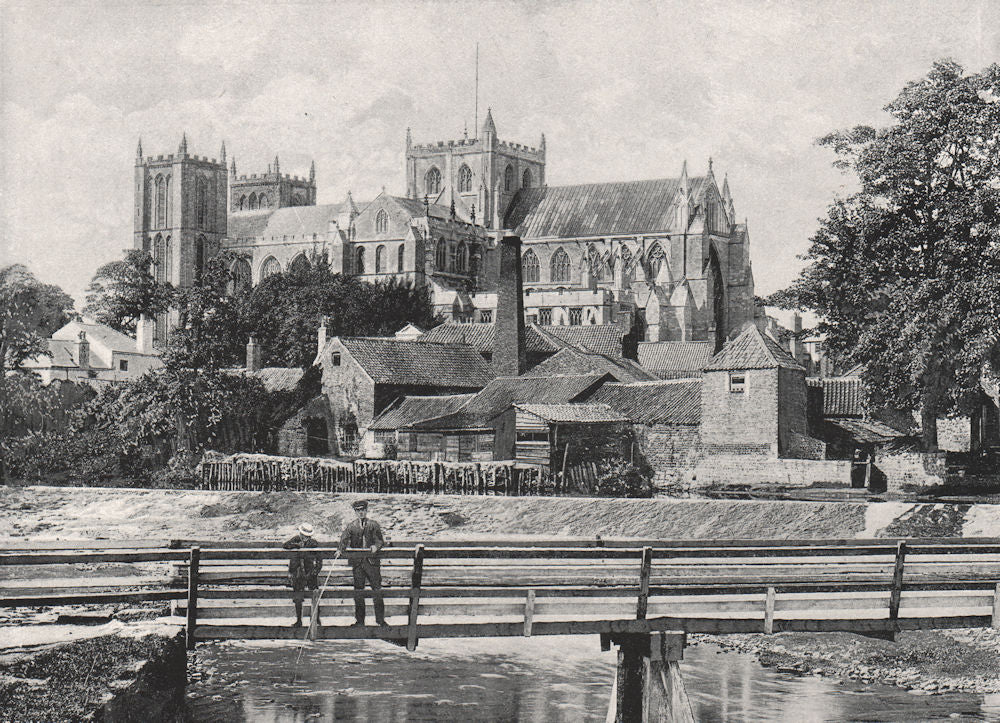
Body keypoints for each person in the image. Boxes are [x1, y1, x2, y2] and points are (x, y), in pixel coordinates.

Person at [335, 500, 387, 626]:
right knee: (358, 592)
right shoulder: (351, 526)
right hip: (358, 564)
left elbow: (380, 540)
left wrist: (376, 546)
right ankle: (360, 621)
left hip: (372, 563)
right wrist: (340, 550)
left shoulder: (373, 525)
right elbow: (344, 539)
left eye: (363, 510)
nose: (361, 513)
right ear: (355, 512)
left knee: (377, 591)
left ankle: (380, 620)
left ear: (366, 510)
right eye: (358, 511)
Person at [283, 522, 322, 628]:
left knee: (315, 594)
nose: (304, 538)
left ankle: (316, 619)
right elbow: (285, 545)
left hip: (310, 572)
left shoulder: (314, 543)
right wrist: (296, 545)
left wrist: (315, 571)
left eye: (307, 536)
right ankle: (299, 620)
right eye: (303, 535)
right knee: (297, 597)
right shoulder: (295, 539)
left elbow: (319, 558)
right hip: (298, 572)